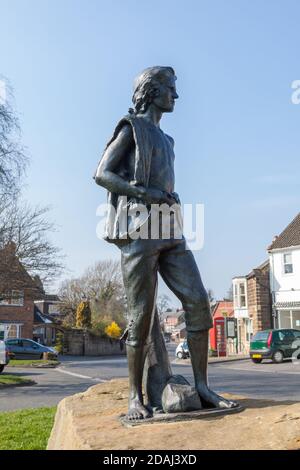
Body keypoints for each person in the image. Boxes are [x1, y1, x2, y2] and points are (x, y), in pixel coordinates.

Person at [95, 66, 237, 420]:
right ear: (151, 91)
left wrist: (168, 197)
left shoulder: (168, 140)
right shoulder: (132, 128)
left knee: (197, 302)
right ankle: (134, 397)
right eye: (171, 88)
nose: (176, 95)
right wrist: (145, 192)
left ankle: (202, 386)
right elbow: (102, 174)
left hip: (170, 229)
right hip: (140, 231)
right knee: (140, 316)